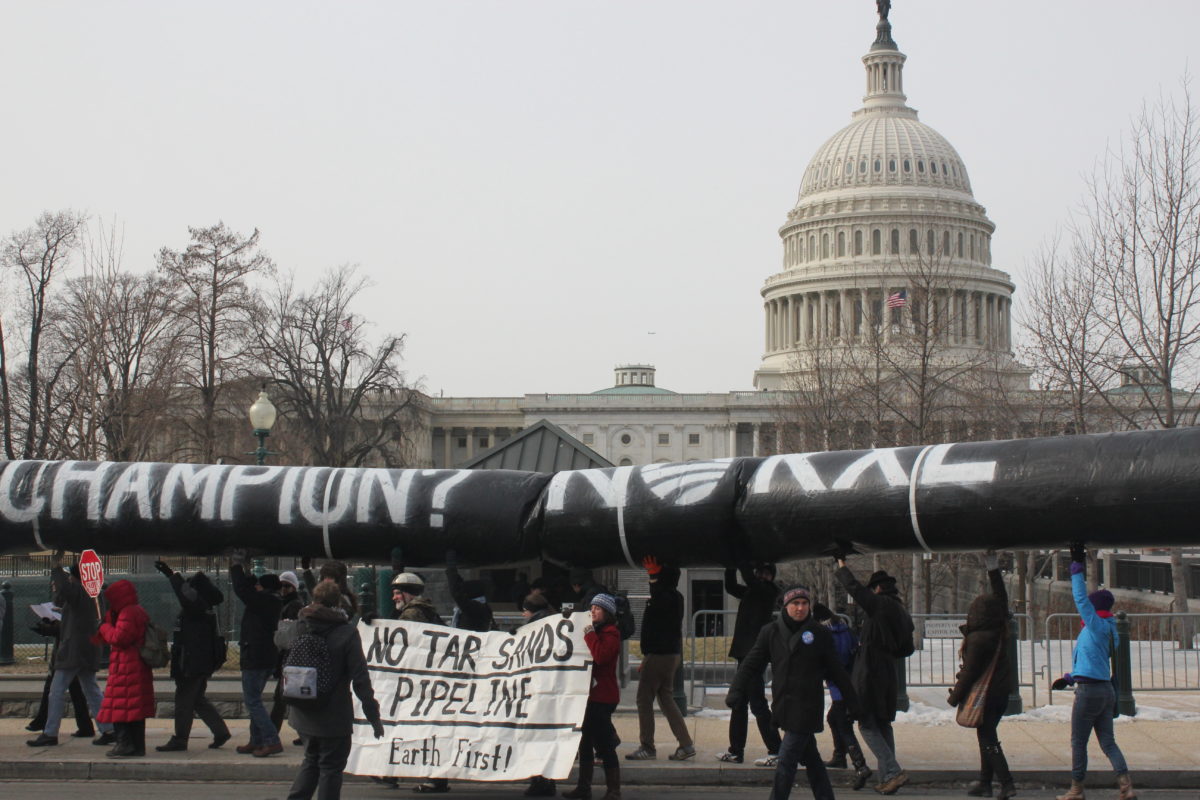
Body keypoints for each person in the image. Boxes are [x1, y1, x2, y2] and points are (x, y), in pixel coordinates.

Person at [727, 585, 858, 800]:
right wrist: (736, 691)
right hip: (783, 705)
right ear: (785, 606)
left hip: (807, 707)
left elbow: (837, 671)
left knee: (786, 761)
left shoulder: (819, 633)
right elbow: (751, 664)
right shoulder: (770, 632)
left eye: (804, 603)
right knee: (813, 760)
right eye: (795, 603)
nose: (800, 608)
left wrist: (853, 703)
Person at [285, 581, 385, 800]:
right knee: (330, 766)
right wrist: (373, 717)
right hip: (333, 714)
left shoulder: (300, 624)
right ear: (339, 601)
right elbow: (360, 680)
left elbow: (281, 645)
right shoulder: (346, 632)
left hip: (302, 708)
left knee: (311, 759)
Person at [1053, 542, 1135, 800]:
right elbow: (1092, 662)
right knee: (1108, 742)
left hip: (1089, 692)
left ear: (1095, 608)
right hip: (1104, 691)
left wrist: (1076, 566)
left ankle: (1077, 789)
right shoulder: (1109, 631)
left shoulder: (1096, 625)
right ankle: (1126, 786)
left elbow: (1079, 598)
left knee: (1079, 742)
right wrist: (1068, 678)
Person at [834, 558, 914, 795]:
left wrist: (841, 566)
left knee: (866, 723)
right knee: (882, 722)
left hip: (869, 670)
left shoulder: (880, 604)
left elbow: (854, 589)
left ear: (877, 589)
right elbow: (907, 649)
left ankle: (892, 772)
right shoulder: (902, 612)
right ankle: (887, 777)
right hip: (888, 671)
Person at [26, 550, 114, 748]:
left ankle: (50, 732)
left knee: (56, 690)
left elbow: (65, 592)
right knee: (91, 689)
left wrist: (56, 568)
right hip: (88, 648)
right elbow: (63, 597)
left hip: (74, 649)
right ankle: (108, 728)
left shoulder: (80, 590)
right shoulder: (94, 591)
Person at [946, 552, 1015, 800]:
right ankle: (986, 783)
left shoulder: (978, 639)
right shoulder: (999, 629)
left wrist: (955, 698)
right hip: (1000, 693)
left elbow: (970, 673)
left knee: (987, 738)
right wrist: (992, 567)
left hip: (985, 695)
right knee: (986, 735)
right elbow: (1001, 597)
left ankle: (1006, 783)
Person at [154, 561, 231, 751]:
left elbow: (185, 594)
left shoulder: (196, 607)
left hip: (191, 663)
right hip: (200, 662)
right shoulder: (204, 609)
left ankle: (180, 739)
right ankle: (220, 731)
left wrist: (172, 575)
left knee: (183, 700)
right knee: (197, 699)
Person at [627, 555, 695, 762]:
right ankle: (685, 744)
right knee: (666, 699)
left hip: (658, 653)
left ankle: (647, 746)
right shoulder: (676, 597)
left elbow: (657, 595)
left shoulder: (663, 597)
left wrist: (654, 575)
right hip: (669, 654)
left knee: (643, 700)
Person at [389, 571, 450, 793]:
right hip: (428, 682)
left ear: (407, 594)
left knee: (422, 731)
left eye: (397, 593)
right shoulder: (427, 611)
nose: (394, 598)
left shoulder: (411, 615)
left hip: (419, 685)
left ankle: (432, 777)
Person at [717, 561, 782, 766]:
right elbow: (730, 587)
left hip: (754, 655)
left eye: (766, 573)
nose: (762, 575)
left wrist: (738, 557)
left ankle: (776, 750)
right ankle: (736, 750)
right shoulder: (752, 592)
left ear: (771, 577)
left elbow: (750, 581)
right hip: (746, 654)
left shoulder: (767, 591)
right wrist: (729, 566)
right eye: (759, 572)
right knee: (740, 703)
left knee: (757, 704)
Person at [563, 593, 622, 800]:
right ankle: (584, 787)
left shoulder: (611, 633)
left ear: (607, 613)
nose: (593, 611)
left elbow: (601, 656)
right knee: (585, 742)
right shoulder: (596, 631)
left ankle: (613, 790)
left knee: (604, 745)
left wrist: (588, 633)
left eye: (597, 608)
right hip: (587, 696)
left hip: (602, 696)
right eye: (592, 608)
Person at [230, 551, 284, 757]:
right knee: (256, 700)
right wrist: (247, 569)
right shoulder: (271, 601)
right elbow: (250, 587)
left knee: (252, 701)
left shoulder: (263, 601)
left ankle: (271, 739)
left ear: (263, 588)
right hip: (265, 656)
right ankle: (256, 740)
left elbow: (243, 590)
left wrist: (236, 566)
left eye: (259, 585)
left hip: (255, 656)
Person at [94, 579, 155, 757]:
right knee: (135, 710)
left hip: (127, 665)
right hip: (137, 665)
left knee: (119, 705)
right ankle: (137, 746)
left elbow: (120, 638)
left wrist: (104, 627)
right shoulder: (138, 610)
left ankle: (124, 744)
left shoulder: (127, 612)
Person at [813, 603, 871, 787]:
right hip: (850, 682)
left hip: (840, 685)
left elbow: (827, 660)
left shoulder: (824, 634)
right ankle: (839, 756)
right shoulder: (845, 629)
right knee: (834, 718)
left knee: (843, 724)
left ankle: (860, 766)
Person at [27, 614, 94, 739]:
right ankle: (91, 727)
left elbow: (67, 628)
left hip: (68, 654)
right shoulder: (79, 604)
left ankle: (49, 730)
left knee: (55, 690)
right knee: (81, 690)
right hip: (73, 653)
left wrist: (49, 627)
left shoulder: (73, 604)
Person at [520, 592, 561, 798]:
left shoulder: (536, 629)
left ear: (532, 611)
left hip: (540, 693)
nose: (523, 614)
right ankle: (546, 781)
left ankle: (540, 781)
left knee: (536, 738)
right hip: (549, 694)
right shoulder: (552, 623)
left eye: (525, 610)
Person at [272, 570, 305, 739]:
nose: (283, 589)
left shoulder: (293, 606)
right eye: (281, 585)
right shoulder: (286, 603)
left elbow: (290, 634)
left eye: (287, 586)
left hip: (289, 656)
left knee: (281, 698)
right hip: (288, 656)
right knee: (287, 697)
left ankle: (271, 734)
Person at [445, 549, 494, 632]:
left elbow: (456, 592)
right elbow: (458, 590)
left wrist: (451, 566)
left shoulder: (475, 608)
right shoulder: (482, 607)